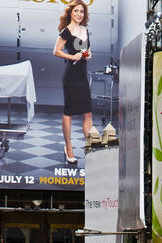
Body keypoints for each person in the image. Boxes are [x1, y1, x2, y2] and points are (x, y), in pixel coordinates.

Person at [54, 2, 93, 165]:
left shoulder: (85, 30)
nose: (79, 14)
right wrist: (72, 57)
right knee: (69, 112)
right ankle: (69, 147)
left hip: (83, 75)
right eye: (76, 11)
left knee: (88, 112)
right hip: (71, 76)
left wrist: (88, 54)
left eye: (82, 11)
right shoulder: (66, 31)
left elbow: (86, 50)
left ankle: (90, 148)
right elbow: (56, 51)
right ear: (70, 13)